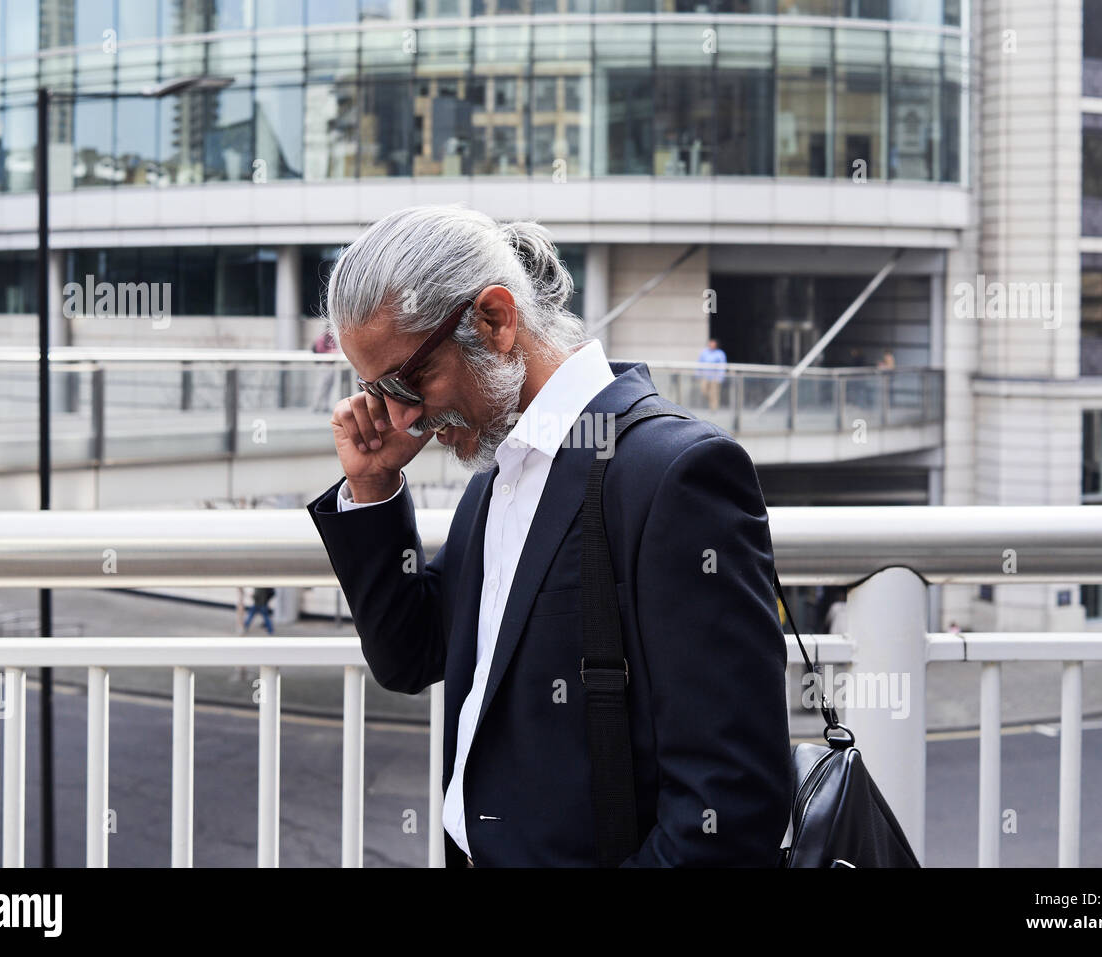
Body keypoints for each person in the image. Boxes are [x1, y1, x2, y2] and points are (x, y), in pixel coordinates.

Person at [305, 204, 792, 867]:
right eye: (376, 388)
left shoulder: (673, 473)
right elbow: (412, 656)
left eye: (409, 378)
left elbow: (729, 802)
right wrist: (374, 486)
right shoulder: (497, 475)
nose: (400, 416)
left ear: (496, 321)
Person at [311, 328, 338, 413]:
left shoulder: (332, 339)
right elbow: (320, 351)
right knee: (321, 386)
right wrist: (330, 352)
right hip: (324, 365)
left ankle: (325, 406)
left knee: (329, 386)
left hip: (331, 365)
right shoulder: (322, 339)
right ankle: (316, 405)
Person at [696, 337, 727, 411]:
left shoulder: (720, 353)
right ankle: (711, 403)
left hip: (715, 377)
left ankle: (713, 408)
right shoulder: (704, 352)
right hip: (705, 376)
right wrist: (698, 374)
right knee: (704, 390)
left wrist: (721, 377)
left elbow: (722, 366)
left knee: (714, 393)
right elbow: (700, 363)